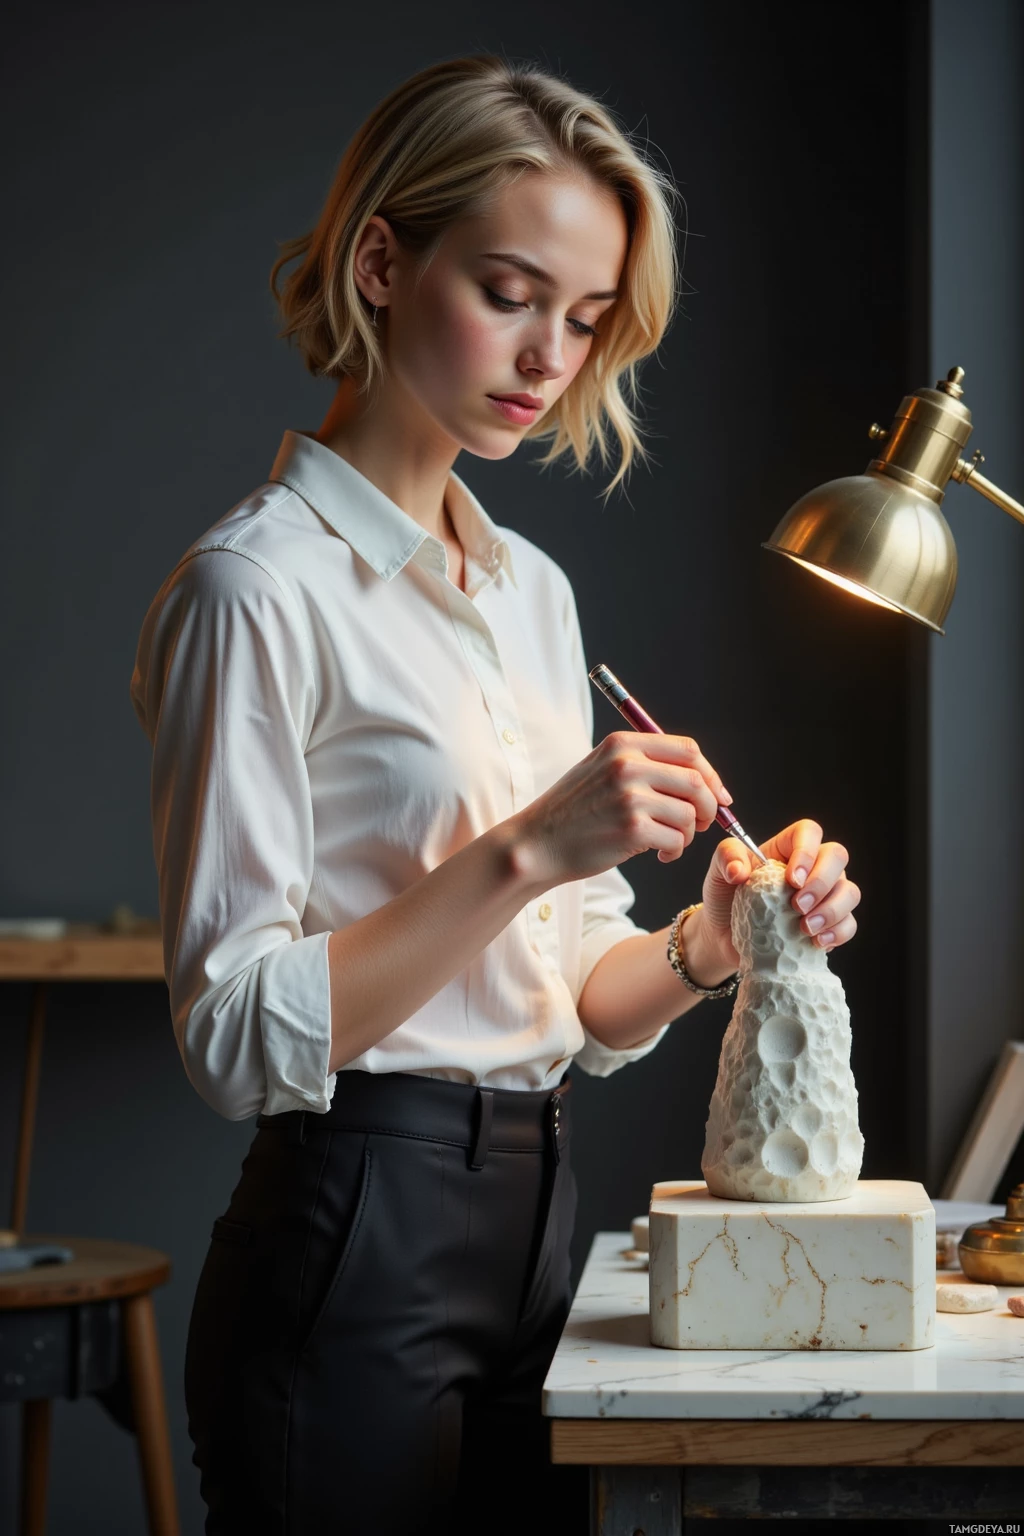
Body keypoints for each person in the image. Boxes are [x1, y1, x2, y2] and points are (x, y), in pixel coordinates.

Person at [129, 52, 861, 1536]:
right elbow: (230, 1031)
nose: (551, 357)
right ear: (383, 261)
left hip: (539, 1229)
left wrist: (710, 944)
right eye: (514, 294)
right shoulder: (252, 591)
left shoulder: (531, 589)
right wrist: (530, 845)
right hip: (352, 1241)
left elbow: (577, 1004)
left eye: (587, 321)